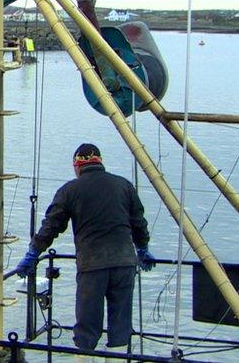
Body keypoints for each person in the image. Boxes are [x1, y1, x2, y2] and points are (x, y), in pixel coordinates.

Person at [14, 143, 154, 352]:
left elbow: (51, 226)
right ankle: (118, 356)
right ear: (100, 162)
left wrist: (33, 252)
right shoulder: (124, 185)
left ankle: (85, 357)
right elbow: (138, 222)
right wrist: (142, 249)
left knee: (87, 326)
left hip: (92, 265)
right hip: (125, 263)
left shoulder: (70, 190)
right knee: (121, 323)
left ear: (77, 166)